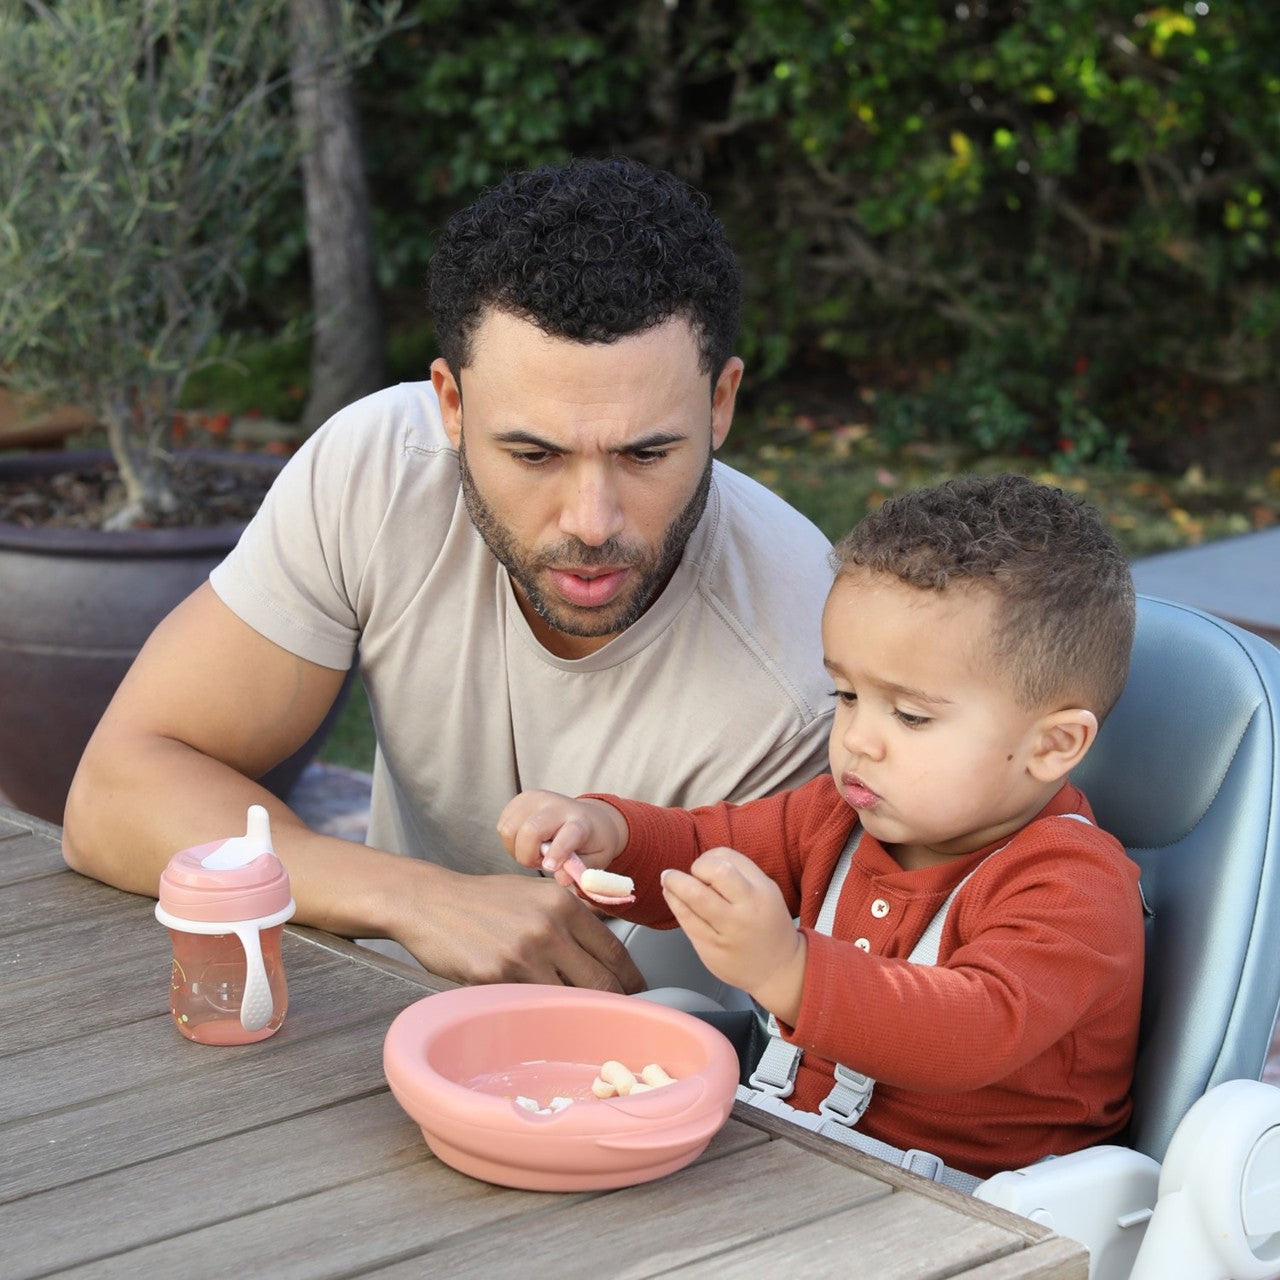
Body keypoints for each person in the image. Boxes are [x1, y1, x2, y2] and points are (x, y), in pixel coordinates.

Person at [61, 156, 836, 992]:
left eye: (645, 452)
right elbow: (114, 797)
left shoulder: (811, 666)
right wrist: (412, 897)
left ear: (721, 403)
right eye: (532, 453)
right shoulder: (379, 470)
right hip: (374, 1008)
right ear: (451, 404)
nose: (591, 520)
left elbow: (682, 1022)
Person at [500, 473, 1145, 1179]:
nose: (859, 739)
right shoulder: (836, 817)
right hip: (799, 1147)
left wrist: (790, 971)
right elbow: (703, 848)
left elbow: (975, 1028)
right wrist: (610, 833)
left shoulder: (1074, 889)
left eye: (911, 716)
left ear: (1054, 746)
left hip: (972, 1204)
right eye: (846, 694)